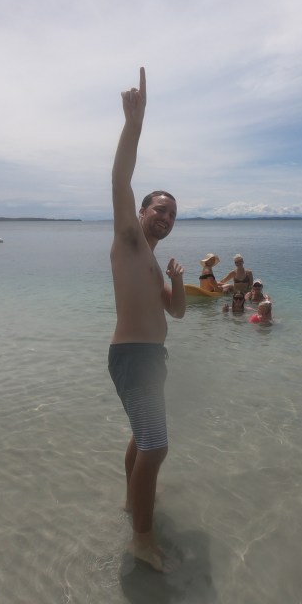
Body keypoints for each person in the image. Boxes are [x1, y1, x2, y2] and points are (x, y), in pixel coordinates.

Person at [107, 67, 185, 573]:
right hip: (134, 357)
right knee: (156, 447)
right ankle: (141, 539)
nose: (166, 218)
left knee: (142, 438)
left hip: (151, 358)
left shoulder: (153, 262)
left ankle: (132, 503)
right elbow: (120, 178)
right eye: (159, 209)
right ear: (140, 211)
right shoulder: (130, 241)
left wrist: (177, 282)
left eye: (172, 215)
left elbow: (175, 312)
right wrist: (134, 123)